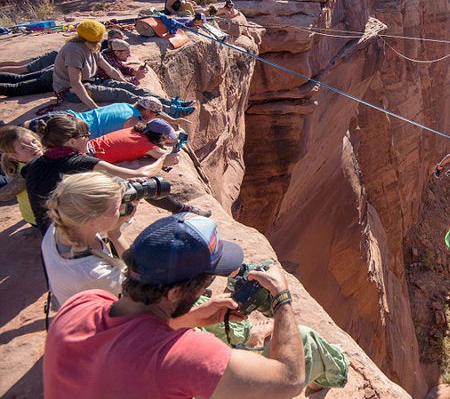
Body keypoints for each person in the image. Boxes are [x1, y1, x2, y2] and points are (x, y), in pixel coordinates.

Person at [43, 213, 306, 399]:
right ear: (175, 292)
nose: (205, 289)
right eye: (206, 282)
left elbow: (128, 339)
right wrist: (281, 296)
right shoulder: (183, 357)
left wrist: (189, 319)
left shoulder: (82, 303)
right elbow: (290, 380)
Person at [22, 115, 207, 233]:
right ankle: (178, 209)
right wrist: (163, 161)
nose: (89, 138)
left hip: (47, 229)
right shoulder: (80, 162)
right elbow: (138, 173)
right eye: (85, 136)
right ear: (71, 142)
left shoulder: (32, 164)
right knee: (141, 185)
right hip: (73, 229)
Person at [51, 20, 194, 117]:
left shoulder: (92, 48)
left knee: (131, 89)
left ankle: (171, 103)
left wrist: (125, 82)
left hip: (91, 82)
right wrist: (94, 107)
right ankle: (168, 111)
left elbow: (110, 69)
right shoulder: (74, 50)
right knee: (122, 94)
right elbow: (75, 82)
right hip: (70, 91)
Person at [41, 172, 137, 308]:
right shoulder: (93, 274)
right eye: (118, 208)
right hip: (97, 317)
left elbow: (101, 226)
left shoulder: (61, 224)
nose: (122, 208)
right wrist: (115, 234)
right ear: (94, 220)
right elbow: (137, 278)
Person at [27, 97, 192, 139]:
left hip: (64, 116)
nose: (154, 118)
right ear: (147, 112)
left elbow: (153, 115)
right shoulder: (133, 122)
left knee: (19, 131)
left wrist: (174, 121)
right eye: (155, 115)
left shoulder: (124, 105)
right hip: (69, 130)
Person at [0, 126, 43, 227]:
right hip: (39, 217)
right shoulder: (26, 172)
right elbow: (4, 195)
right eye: (24, 147)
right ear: (13, 155)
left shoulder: (45, 154)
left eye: (33, 141)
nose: (33, 147)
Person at [89, 118, 180, 166]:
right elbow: (170, 158)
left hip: (88, 146)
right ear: (158, 136)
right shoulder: (145, 145)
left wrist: (175, 135)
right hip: (90, 158)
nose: (167, 138)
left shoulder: (133, 130)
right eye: (165, 137)